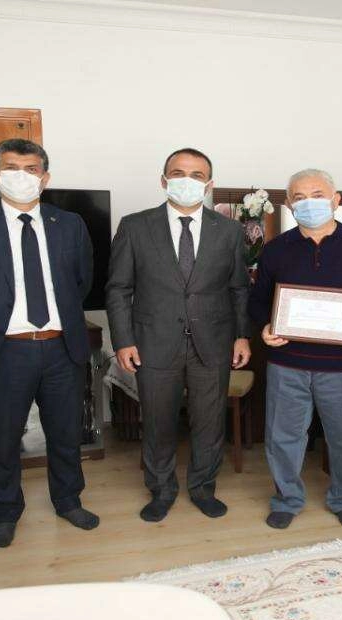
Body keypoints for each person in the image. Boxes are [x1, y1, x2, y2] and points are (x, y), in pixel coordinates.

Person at [0, 139, 99, 548]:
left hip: (62, 347)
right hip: (5, 350)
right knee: (2, 438)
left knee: (65, 434)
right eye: (11, 168)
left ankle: (68, 501)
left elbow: (81, 282)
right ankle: (5, 512)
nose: (22, 176)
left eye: (31, 169)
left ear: (45, 178)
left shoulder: (70, 224)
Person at [248, 169, 342, 529]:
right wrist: (265, 325)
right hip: (287, 362)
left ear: (336, 200)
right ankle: (286, 499)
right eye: (299, 197)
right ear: (289, 204)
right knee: (283, 436)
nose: (308, 203)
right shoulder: (275, 249)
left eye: (317, 195)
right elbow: (257, 301)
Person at [106, 148, 250, 523]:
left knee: (209, 423)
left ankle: (203, 488)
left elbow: (238, 289)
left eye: (197, 175)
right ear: (163, 180)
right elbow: (119, 288)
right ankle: (162, 490)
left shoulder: (229, 231)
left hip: (213, 343)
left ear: (209, 184)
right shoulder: (135, 226)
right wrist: (123, 340)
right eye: (178, 173)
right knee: (158, 422)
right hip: (153, 342)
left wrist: (242, 336)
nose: (188, 181)